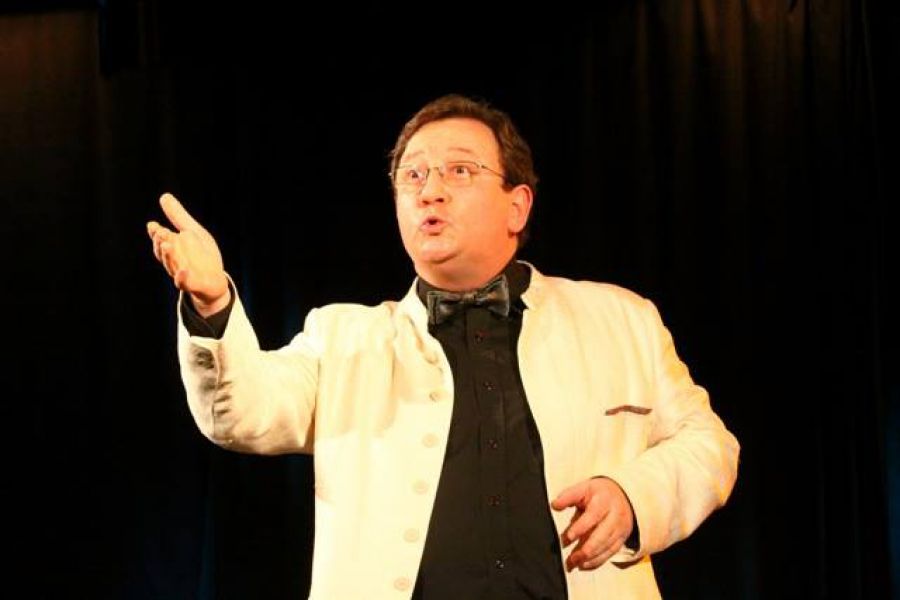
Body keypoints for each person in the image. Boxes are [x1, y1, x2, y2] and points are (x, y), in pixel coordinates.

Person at [147, 94, 739, 600]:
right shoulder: (343, 337)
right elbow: (240, 412)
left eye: (459, 171)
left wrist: (634, 497)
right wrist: (211, 302)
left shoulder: (620, 320)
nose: (430, 191)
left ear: (517, 205)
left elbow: (709, 445)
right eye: (413, 176)